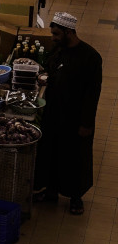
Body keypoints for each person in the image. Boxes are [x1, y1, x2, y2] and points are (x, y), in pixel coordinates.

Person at [34, 12, 103, 215]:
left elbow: (93, 93)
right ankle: (51, 191)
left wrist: (86, 123)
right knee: (52, 152)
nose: (53, 38)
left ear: (69, 32)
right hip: (55, 113)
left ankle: (75, 197)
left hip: (76, 118)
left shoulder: (90, 57)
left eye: (56, 34)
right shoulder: (59, 51)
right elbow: (54, 73)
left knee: (75, 157)